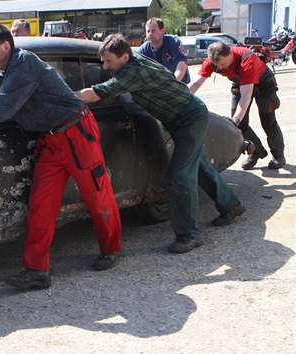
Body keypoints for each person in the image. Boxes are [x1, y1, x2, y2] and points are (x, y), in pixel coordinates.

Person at [0, 24, 122, 290]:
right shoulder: (0, 70)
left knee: (97, 194)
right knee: (41, 205)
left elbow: (2, 106)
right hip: (50, 139)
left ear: (5, 47)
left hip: (76, 132)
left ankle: (111, 249)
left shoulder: (23, 63)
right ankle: (37, 270)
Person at [75, 33, 245, 254]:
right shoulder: (131, 63)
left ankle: (190, 235)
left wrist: (65, 95)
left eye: (109, 61)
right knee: (200, 166)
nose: (105, 66)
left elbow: (97, 94)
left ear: (125, 57)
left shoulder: (132, 71)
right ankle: (232, 205)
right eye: (103, 61)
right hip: (179, 118)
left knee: (180, 175)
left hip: (190, 118)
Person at [188, 41, 286, 170]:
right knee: (240, 125)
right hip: (240, 83)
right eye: (218, 66)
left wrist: (236, 120)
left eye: (223, 64)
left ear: (230, 53)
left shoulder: (247, 59)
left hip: (263, 85)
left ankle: (278, 156)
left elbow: (246, 95)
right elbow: (195, 84)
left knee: (268, 122)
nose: (221, 68)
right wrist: (179, 96)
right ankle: (256, 151)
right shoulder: (213, 61)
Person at [137, 17, 190, 83]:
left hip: (181, 83)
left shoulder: (173, 41)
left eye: (153, 31)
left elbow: (182, 63)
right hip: (160, 86)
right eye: (148, 31)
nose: (150, 34)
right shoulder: (143, 49)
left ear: (162, 31)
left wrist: (173, 84)